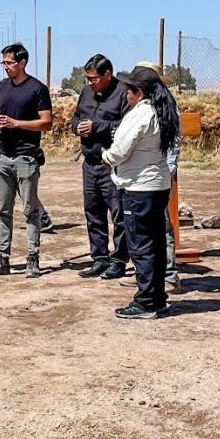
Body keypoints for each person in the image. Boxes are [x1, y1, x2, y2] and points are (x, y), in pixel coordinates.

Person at [100, 65, 180, 319]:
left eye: (129, 90)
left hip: (139, 186)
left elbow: (121, 149)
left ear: (140, 92)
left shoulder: (141, 113)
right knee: (155, 242)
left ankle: (145, 301)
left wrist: (105, 156)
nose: (126, 95)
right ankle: (156, 297)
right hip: (157, 184)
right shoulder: (163, 110)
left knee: (141, 244)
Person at [0, 43, 54, 278]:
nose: (5, 67)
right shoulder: (2, 86)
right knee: (3, 210)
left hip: (27, 157)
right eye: (3, 63)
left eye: (9, 62)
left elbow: (46, 122)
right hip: (4, 155)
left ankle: (32, 258)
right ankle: (2, 258)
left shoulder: (37, 89)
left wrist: (16, 123)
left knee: (30, 210)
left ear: (22, 63)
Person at [69, 54, 131, 280]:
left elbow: (127, 126)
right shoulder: (86, 93)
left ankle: (119, 260)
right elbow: (74, 120)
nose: (90, 83)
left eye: (93, 79)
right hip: (90, 162)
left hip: (113, 164)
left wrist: (97, 128)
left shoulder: (124, 92)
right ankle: (100, 258)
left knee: (119, 214)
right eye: (87, 79)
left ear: (108, 75)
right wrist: (78, 128)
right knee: (93, 213)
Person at [136, 61, 182, 294]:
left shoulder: (164, 105)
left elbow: (172, 142)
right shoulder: (144, 104)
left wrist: (168, 169)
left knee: (161, 225)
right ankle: (150, 276)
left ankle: (169, 275)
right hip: (147, 176)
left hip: (156, 176)